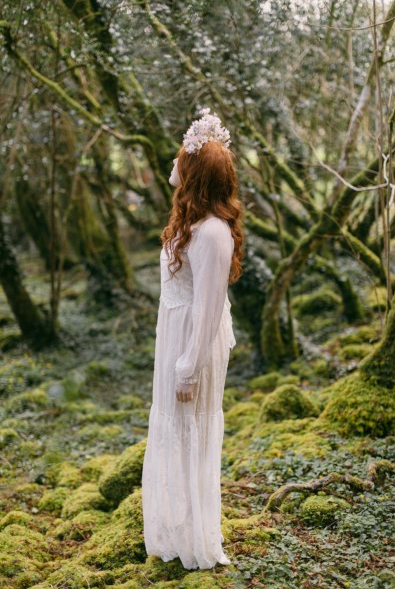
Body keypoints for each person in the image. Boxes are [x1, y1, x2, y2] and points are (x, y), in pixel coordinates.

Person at [141, 107, 244, 570]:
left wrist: (187, 367)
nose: (174, 165)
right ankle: (174, 530)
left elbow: (207, 310)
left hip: (194, 347)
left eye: (182, 158)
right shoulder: (192, 222)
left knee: (191, 432)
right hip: (175, 336)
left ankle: (197, 539)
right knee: (172, 429)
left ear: (195, 173)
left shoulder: (214, 234)